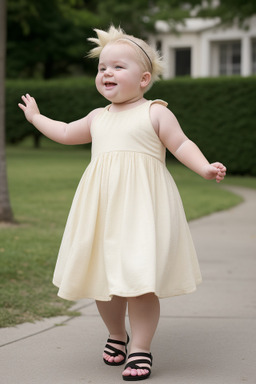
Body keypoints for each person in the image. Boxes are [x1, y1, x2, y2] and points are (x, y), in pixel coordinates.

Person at [18, 25, 226, 381]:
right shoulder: (98, 117)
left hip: (143, 210)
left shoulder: (155, 113)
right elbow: (67, 132)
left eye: (117, 67)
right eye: (102, 68)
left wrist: (204, 167)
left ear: (144, 79)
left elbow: (182, 144)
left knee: (141, 280)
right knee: (104, 278)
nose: (107, 73)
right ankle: (117, 334)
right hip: (103, 210)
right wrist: (37, 118)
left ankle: (141, 347)